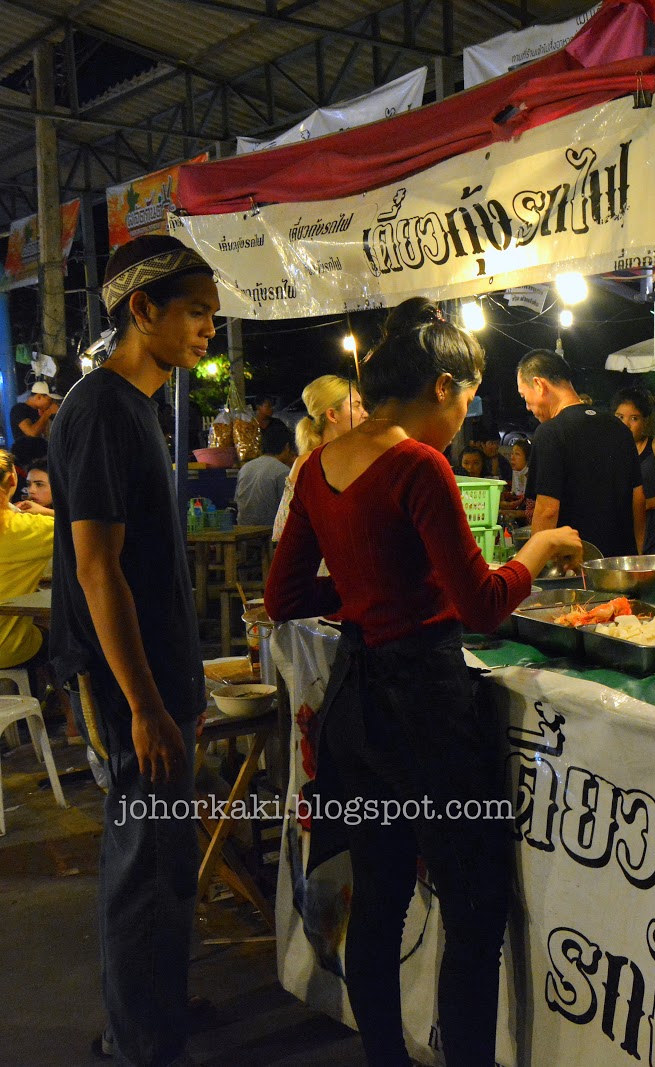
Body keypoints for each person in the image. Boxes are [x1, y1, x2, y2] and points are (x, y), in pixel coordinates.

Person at [266, 297, 581, 1067]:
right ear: (443, 384)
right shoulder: (417, 462)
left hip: (356, 703)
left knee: (381, 901)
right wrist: (538, 549)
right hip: (424, 709)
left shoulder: (317, 465)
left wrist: (366, 594)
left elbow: (285, 599)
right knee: (472, 909)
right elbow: (483, 605)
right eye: (469, 397)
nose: (468, 415)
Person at [51, 233, 217, 1067]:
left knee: (166, 860)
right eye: (195, 312)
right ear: (141, 309)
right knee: (142, 865)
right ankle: (138, 1041)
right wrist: (147, 705)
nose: (208, 330)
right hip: (129, 689)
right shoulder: (99, 408)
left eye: (213, 316)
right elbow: (94, 568)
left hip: (160, 677)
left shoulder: (139, 408)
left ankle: (154, 1004)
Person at [517, 349, 644, 557]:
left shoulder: (550, 432)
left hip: (574, 569)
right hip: (619, 565)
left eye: (524, 396)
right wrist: (637, 553)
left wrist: (534, 567)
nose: (527, 406)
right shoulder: (619, 428)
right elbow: (637, 497)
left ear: (539, 385)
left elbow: (547, 511)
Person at [273, 374, 365, 541]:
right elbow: (284, 528)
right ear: (332, 415)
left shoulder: (362, 458)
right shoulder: (307, 464)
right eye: (356, 406)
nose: (365, 413)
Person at [0, 449, 54, 671]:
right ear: (13, 478)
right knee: (68, 645)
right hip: (6, 649)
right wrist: (48, 513)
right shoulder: (25, 529)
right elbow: (90, 531)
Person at [612, 386, 655, 554]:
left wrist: (651, 502)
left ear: (645, 421)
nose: (625, 424)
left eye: (634, 418)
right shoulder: (608, 453)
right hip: (623, 538)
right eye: (620, 417)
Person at [234, 419, 295, 527]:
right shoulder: (283, 471)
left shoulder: (246, 468)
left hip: (243, 530)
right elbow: (290, 509)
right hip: (269, 534)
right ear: (287, 447)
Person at [10, 380, 60, 467]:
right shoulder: (19, 409)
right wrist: (47, 413)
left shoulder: (39, 412)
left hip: (41, 457)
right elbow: (32, 433)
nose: (51, 403)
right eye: (49, 400)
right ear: (39, 397)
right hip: (26, 460)